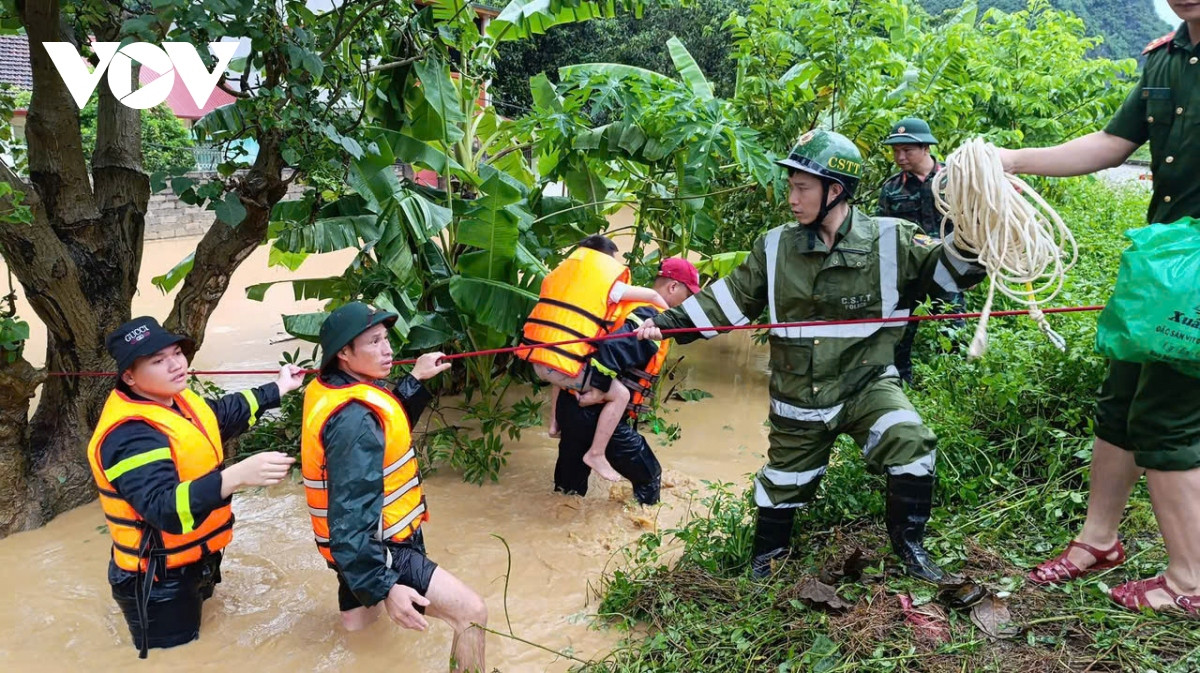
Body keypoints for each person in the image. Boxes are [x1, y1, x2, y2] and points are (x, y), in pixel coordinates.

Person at [634, 129, 986, 581]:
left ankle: (910, 548)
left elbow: (952, 275)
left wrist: (979, 226)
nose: (792, 199)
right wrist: (662, 325)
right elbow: (731, 300)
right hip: (798, 395)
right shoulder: (775, 245)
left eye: (802, 188)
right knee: (782, 485)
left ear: (835, 190)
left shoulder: (893, 240)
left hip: (867, 385)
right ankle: (766, 562)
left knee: (912, 444)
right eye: (791, 187)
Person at [1000, 3, 1200, 615]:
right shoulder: (1165, 58)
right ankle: (1098, 541)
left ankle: (1190, 581)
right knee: (1121, 399)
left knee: (1167, 415)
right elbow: (1113, 143)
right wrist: (1007, 161)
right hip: (1161, 261)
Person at [86, 316, 304, 657]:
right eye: (158, 361)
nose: (176, 365)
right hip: (157, 582)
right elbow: (162, 509)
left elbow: (223, 414)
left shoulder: (179, 402)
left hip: (197, 557)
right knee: (175, 660)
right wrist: (236, 476)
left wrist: (277, 388)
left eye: (176, 353)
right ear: (129, 376)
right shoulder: (130, 436)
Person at [300, 302, 490, 671]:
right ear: (344, 352)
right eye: (373, 342)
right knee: (471, 613)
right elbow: (352, 515)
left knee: (361, 635)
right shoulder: (353, 419)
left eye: (386, 339)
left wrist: (415, 381)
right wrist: (385, 585)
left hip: (349, 553)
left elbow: (382, 430)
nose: (387, 350)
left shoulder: (334, 389)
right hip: (379, 547)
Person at [519, 234, 668, 482]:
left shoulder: (559, 276)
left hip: (543, 362)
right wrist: (668, 317)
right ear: (604, 258)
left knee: (569, 367)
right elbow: (652, 297)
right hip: (564, 367)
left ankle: (554, 423)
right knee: (620, 394)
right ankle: (596, 453)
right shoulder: (609, 284)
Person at [554, 258, 700, 505]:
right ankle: (642, 533)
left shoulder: (628, 305)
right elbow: (611, 350)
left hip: (571, 406)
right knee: (649, 477)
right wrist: (600, 390)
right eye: (688, 295)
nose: (687, 304)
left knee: (567, 492)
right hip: (596, 411)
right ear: (673, 287)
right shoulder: (651, 317)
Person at [877, 117, 966, 384]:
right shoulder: (892, 189)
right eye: (896, 151)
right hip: (907, 275)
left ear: (926, 148)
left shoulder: (955, 180)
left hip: (949, 271)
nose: (900, 157)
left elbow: (975, 225)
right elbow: (883, 234)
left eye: (907, 150)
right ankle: (901, 391)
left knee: (952, 336)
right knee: (898, 340)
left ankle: (952, 392)